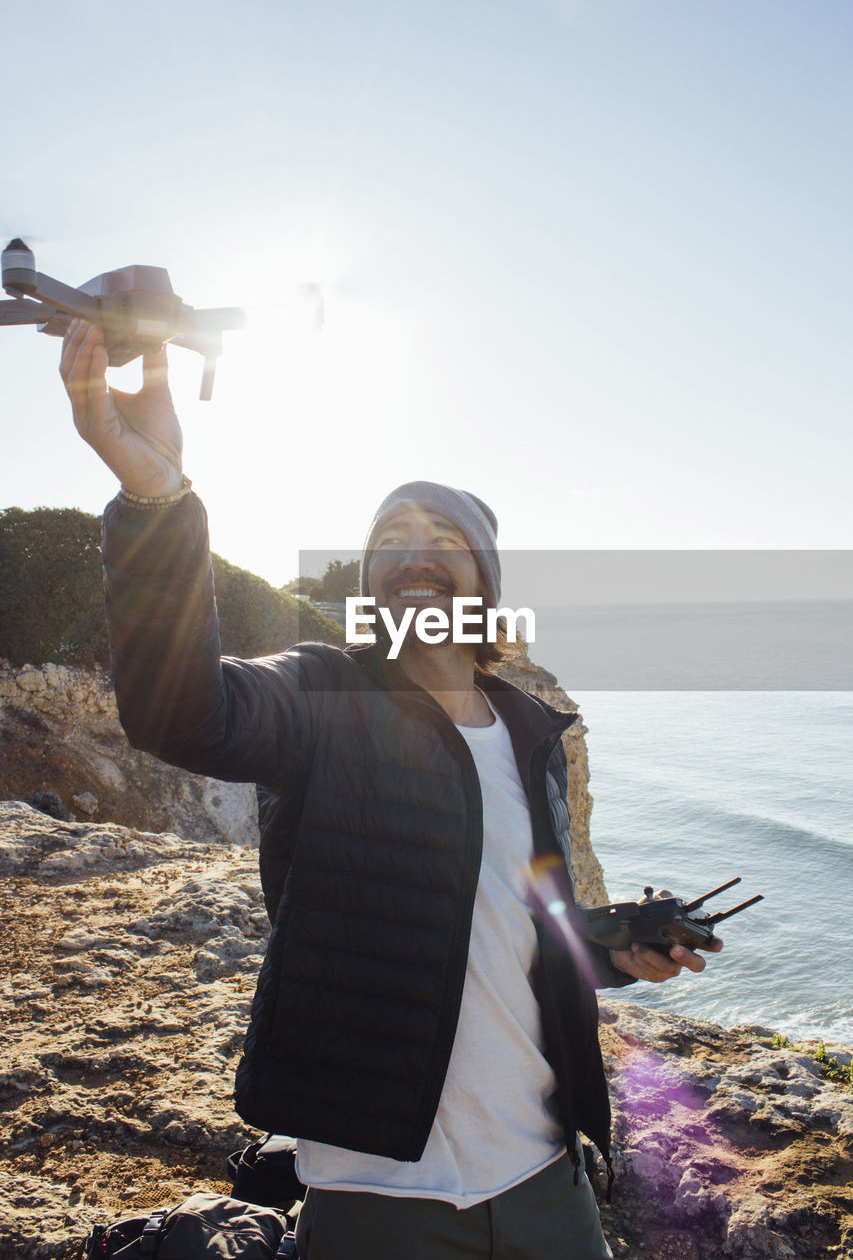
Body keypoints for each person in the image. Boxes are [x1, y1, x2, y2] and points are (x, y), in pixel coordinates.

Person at [60, 320, 722, 1260]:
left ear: (485, 582)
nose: (415, 549)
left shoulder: (532, 736)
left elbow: (525, 926)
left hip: (549, 1183)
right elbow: (181, 715)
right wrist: (156, 494)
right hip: (377, 1195)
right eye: (392, 537)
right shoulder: (321, 691)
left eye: (444, 536)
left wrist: (619, 956)